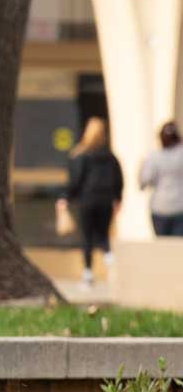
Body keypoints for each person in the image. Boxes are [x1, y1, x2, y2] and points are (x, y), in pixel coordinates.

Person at [59, 117, 124, 285]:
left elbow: (76, 180)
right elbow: (118, 179)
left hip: (87, 199)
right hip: (106, 200)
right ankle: (110, 261)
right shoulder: (110, 157)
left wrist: (66, 196)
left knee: (87, 236)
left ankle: (88, 272)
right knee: (103, 235)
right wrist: (117, 198)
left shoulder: (81, 156)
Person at [140, 121, 183, 237]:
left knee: (162, 247)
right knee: (177, 247)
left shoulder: (154, 156)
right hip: (179, 205)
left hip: (159, 206)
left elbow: (144, 180)